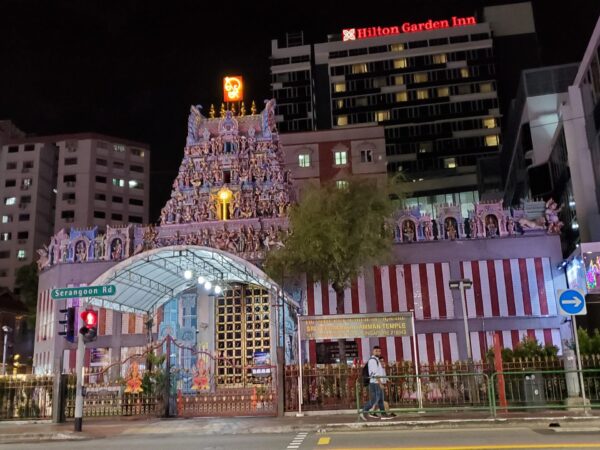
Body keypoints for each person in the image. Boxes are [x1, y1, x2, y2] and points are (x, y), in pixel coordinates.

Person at [359, 346, 393, 421]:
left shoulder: (377, 360)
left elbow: (380, 372)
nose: (378, 352)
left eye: (379, 351)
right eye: (376, 351)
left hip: (377, 382)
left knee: (380, 400)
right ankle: (363, 411)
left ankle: (383, 414)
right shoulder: (373, 360)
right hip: (375, 383)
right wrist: (380, 383)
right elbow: (375, 373)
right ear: (373, 352)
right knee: (374, 400)